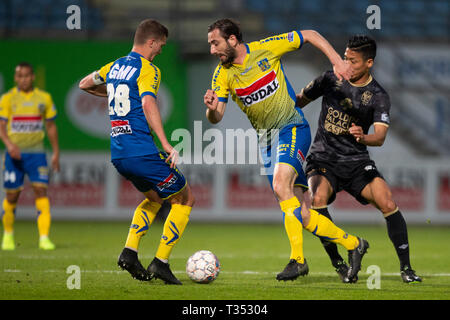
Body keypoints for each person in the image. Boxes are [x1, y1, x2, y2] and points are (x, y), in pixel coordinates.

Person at [204, 18, 368, 282]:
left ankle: (298, 261)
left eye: (215, 43)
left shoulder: (266, 48)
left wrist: (337, 61)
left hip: (292, 127)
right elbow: (217, 116)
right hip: (267, 141)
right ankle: (353, 244)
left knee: (282, 186)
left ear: (232, 39)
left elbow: (311, 33)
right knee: (302, 212)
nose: (212, 50)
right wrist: (211, 107)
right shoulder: (221, 74)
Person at [296, 35, 422, 283]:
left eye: (352, 61)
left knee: (386, 201)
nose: (345, 64)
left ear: (369, 63)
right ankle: (340, 263)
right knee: (317, 198)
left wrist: (364, 137)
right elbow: (299, 100)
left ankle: (407, 269)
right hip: (323, 157)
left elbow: (380, 137)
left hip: (355, 161)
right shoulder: (329, 79)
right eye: (344, 58)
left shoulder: (378, 95)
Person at [79, 19, 195, 285]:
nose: (160, 51)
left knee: (154, 198)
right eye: (161, 46)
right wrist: (165, 143)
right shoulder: (148, 69)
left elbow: (84, 84)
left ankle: (129, 253)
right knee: (186, 199)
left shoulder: (115, 66)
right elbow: (147, 103)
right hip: (141, 150)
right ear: (151, 42)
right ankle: (161, 263)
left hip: (119, 153)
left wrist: (113, 93)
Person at [0, 62, 59, 251]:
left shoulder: (44, 98)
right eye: (20, 76)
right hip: (13, 155)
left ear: (32, 77)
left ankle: (44, 238)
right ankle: (8, 235)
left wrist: (56, 151)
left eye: (26, 75)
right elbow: (1, 127)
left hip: (37, 154)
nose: (23, 79)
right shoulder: (8, 99)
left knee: (41, 192)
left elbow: (50, 126)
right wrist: (9, 145)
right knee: (12, 195)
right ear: (15, 78)